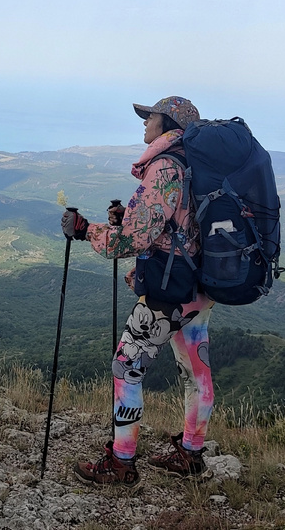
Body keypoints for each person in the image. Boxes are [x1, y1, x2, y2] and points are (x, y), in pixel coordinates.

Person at [60, 96, 215, 485]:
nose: (145, 123)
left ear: (169, 124)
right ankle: (191, 455)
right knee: (196, 371)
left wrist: (86, 230)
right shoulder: (199, 165)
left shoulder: (164, 167)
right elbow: (177, 227)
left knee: (126, 368)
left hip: (168, 293)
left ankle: (122, 462)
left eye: (151, 117)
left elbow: (127, 241)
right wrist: (126, 219)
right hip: (199, 287)